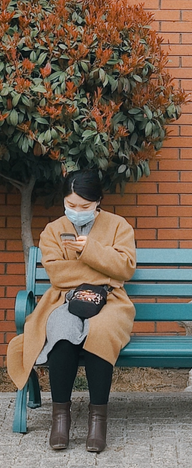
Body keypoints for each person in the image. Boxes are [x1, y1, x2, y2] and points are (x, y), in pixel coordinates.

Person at [7, 169, 136, 453]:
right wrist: (106, 272)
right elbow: (57, 274)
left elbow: (125, 267)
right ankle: (60, 419)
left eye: (84, 206)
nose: (77, 211)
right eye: (71, 204)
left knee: (101, 331)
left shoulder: (119, 226)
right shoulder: (53, 230)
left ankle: (98, 421)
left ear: (98, 201)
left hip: (110, 300)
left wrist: (89, 250)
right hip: (63, 299)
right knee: (61, 329)